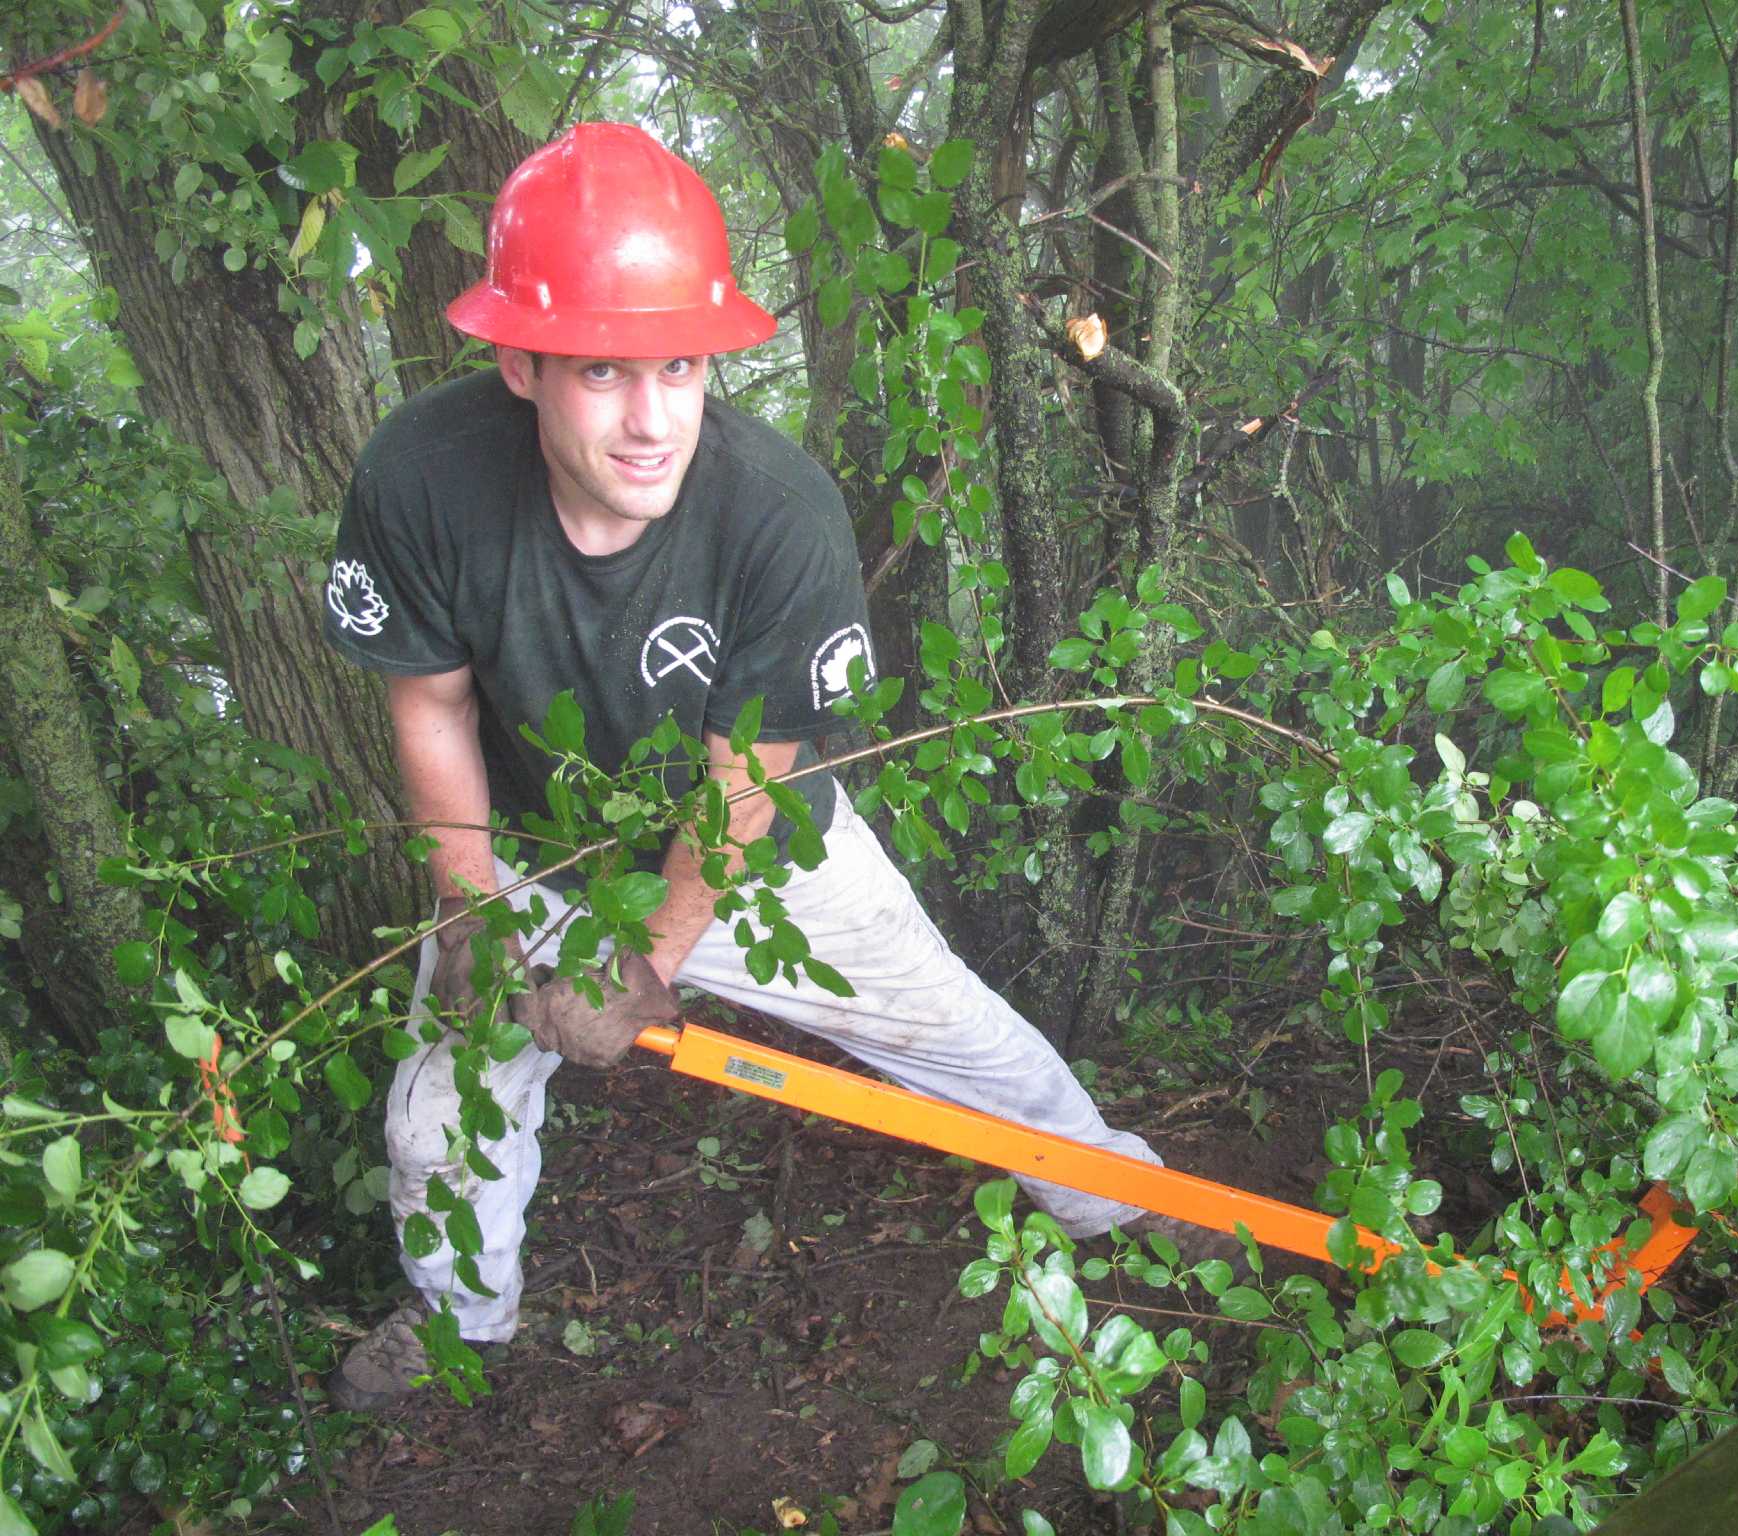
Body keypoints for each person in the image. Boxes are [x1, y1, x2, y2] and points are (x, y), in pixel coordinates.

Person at [320, 122, 1224, 1412]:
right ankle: (459, 1318)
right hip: (529, 848)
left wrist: (645, 967)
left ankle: (1118, 1196)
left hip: (752, 847)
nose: (650, 423)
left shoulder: (776, 510)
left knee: (952, 1032)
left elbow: (746, 779)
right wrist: (470, 905)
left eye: (680, 367)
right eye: (601, 374)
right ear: (519, 362)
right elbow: (432, 701)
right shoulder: (421, 478)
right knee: (434, 1117)